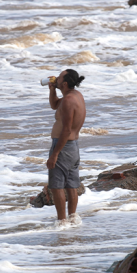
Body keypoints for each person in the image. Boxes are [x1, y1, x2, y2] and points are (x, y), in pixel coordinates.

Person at [47, 69, 86, 221]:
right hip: (73, 146)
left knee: (57, 187)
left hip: (63, 146)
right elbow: (54, 105)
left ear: (64, 83)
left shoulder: (69, 101)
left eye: (59, 77)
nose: (55, 78)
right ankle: (72, 219)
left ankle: (62, 223)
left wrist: (55, 154)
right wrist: (52, 90)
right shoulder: (75, 96)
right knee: (71, 185)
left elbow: (66, 130)